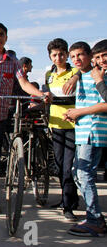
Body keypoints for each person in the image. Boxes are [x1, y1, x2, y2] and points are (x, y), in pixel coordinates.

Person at [0, 23, 50, 214]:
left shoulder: (13, 61)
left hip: (0, 113)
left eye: (1, 34)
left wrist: (39, 94)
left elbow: (23, 82)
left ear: (6, 37)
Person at [61, 41, 107, 237]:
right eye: (73, 57)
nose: (76, 59)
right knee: (78, 172)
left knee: (84, 174)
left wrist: (79, 112)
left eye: (80, 55)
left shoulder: (101, 76)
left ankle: (95, 220)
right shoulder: (85, 75)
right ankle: (94, 216)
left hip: (93, 130)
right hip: (83, 130)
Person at [43, 38, 79, 221]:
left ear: (67, 54)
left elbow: (82, 71)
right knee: (58, 166)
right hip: (56, 125)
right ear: (50, 56)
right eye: (54, 55)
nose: (58, 57)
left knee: (67, 167)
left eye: (61, 54)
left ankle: (68, 206)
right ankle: (70, 198)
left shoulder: (75, 71)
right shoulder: (49, 74)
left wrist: (75, 76)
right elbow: (46, 95)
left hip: (73, 125)